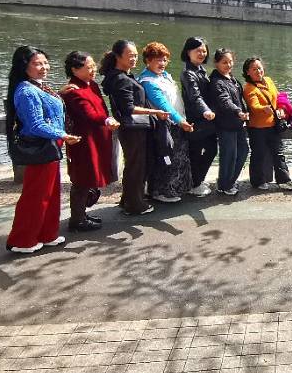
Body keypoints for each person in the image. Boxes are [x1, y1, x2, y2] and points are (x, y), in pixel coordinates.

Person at [5, 46, 81, 253]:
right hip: (40, 146)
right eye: (37, 64)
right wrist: (63, 135)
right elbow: (35, 124)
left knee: (50, 193)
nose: (43, 67)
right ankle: (22, 240)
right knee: (36, 195)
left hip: (50, 145)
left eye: (45, 62)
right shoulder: (26, 91)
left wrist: (60, 94)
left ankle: (47, 234)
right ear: (24, 66)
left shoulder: (37, 86)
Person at [100, 40, 169, 216]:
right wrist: (155, 111)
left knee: (134, 164)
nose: (134, 59)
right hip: (132, 128)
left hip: (133, 127)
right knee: (136, 166)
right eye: (130, 55)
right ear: (118, 56)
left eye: (136, 55)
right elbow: (128, 108)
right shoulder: (120, 79)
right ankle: (135, 205)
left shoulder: (123, 75)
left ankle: (128, 200)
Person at [61, 51, 119, 232]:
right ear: (74, 69)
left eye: (93, 66)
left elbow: (101, 108)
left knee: (90, 177)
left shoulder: (91, 85)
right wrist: (106, 120)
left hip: (98, 137)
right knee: (82, 178)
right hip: (84, 140)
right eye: (89, 67)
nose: (93, 70)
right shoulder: (72, 90)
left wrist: (106, 119)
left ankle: (82, 215)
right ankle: (77, 220)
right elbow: (88, 114)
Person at [137, 42, 194, 202]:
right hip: (164, 125)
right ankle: (160, 192)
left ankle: (174, 189)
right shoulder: (148, 81)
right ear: (148, 60)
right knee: (166, 158)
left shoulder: (164, 76)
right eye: (158, 60)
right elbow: (163, 105)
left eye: (164, 60)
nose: (162, 63)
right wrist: (180, 121)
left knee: (178, 157)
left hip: (176, 122)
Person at [242, 56, 292, 192]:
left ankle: (284, 180)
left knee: (279, 154)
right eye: (254, 69)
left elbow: (278, 97)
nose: (258, 71)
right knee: (258, 155)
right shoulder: (248, 88)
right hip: (257, 128)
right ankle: (257, 181)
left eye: (259, 68)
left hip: (273, 125)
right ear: (248, 72)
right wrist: (263, 108)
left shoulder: (268, 81)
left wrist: (281, 109)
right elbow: (254, 105)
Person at [180, 36, 217, 197]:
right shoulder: (188, 73)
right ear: (188, 52)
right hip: (196, 120)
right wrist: (205, 111)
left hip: (207, 120)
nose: (202, 54)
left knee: (211, 150)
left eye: (204, 51)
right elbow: (195, 97)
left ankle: (197, 180)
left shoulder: (201, 70)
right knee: (195, 153)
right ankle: (194, 185)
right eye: (198, 51)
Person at [208, 49, 249, 195]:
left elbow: (239, 99)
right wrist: (238, 111)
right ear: (216, 63)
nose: (228, 65)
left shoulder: (231, 78)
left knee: (243, 150)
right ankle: (224, 185)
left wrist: (245, 111)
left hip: (238, 123)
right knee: (229, 155)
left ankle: (230, 180)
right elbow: (224, 101)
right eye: (224, 62)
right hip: (226, 124)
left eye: (230, 61)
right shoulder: (216, 82)